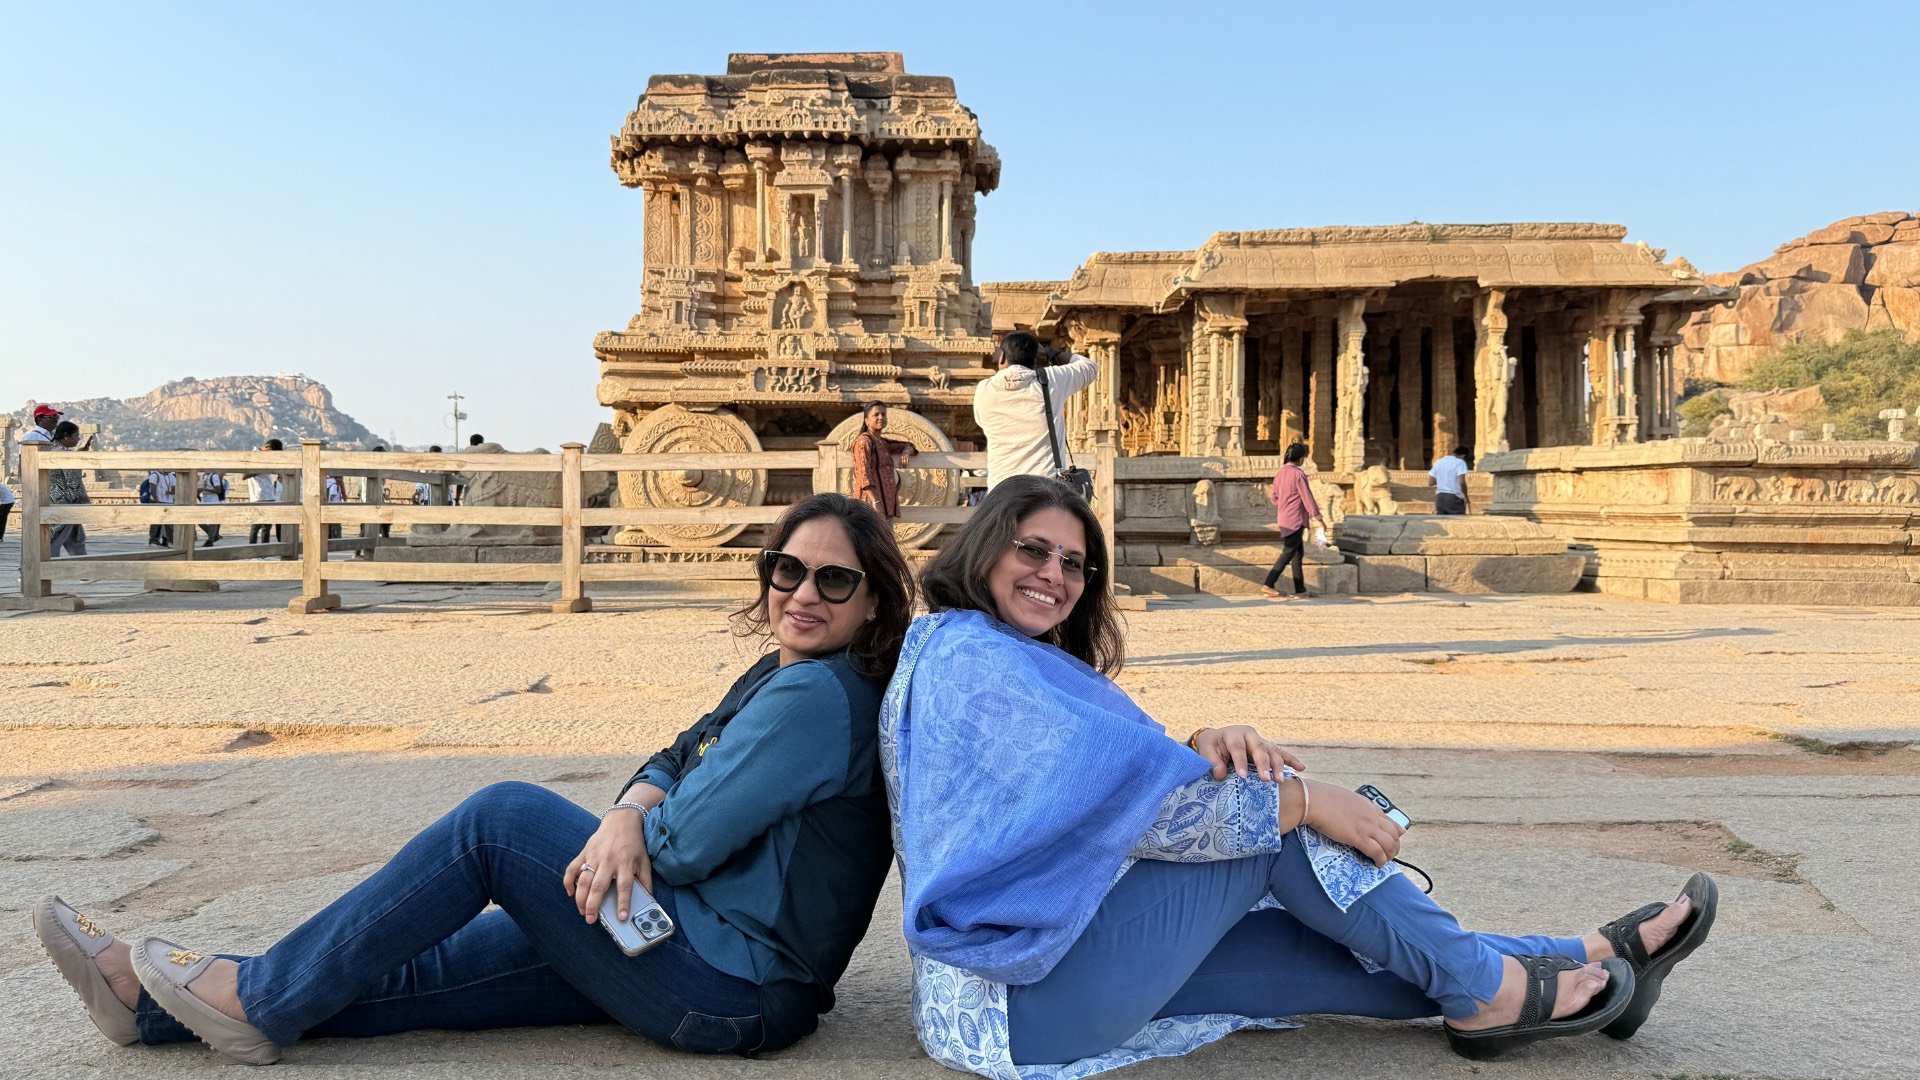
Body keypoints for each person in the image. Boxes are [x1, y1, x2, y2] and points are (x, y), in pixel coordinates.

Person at [34, 492, 916, 1064]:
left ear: (874, 598)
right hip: (685, 950)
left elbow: (681, 846)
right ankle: (148, 1006)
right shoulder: (785, 669)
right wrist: (623, 813)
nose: (804, 593)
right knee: (427, 965)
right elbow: (677, 755)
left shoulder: (817, 696)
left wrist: (636, 826)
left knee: (498, 822)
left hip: (727, 985)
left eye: (835, 580)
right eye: (786, 570)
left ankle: (257, 998)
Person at [881, 475, 1717, 1074]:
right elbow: (1155, 814)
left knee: (1334, 958)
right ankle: (1494, 991)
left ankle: (1581, 956)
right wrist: (1312, 800)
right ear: (988, 545)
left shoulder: (988, 655)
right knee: (1271, 827)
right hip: (1024, 992)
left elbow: (1093, 784)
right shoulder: (971, 656)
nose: (1054, 577)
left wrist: (1205, 736)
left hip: (1032, 982)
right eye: (1034, 551)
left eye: (1074, 565)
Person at [972, 330, 1098, 491]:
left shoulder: (984, 389)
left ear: (1002, 357)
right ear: (1036, 359)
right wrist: (1051, 353)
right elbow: (1090, 367)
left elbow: (981, 421)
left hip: (1001, 486)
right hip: (1045, 486)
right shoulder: (1051, 379)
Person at [1263, 441, 1328, 600]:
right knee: (1289, 552)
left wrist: (1285, 506)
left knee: (1297, 554)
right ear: (1301, 458)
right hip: (1295, 519)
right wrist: (1318, 517)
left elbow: (1274, 498)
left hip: (1284, 517)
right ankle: (1269, 584)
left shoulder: (1280, 474)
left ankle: (1301, 590)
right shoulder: (1298, 474)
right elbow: (1307, 498)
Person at [849, 402, 918, 521]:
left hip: (885, 504)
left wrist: (906, 452)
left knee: (884, 538)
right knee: (871, 538)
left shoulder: (882, 442)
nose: (881, 417)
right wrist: (875, 501)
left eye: (883, 414)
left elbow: (909, 445)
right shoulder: (864, 441)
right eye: (876, 415)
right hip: (870, 502)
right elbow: (863, 473)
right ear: (866, 420)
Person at [45, 421, 90, 556]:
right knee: (55, 539)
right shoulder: (64, 454)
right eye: (76, 436)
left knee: (75, 538)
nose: (78, 439)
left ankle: (84, 571)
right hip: (65, 501)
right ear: (66, 436)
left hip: (51, 498)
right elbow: (73, 480)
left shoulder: (49, 449)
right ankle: (47, 570)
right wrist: (83, 501)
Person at [247, 440, 285, 546]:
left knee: (267, 527)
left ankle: (264, 550)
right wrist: (264, 469)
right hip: (259, 496)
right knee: (256, 526)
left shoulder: (264, 458)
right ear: (268, 448)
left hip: (269, 495)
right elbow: (245, 475)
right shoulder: (254, 456)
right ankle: (252, 550)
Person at [1431, 446, 1471, 515]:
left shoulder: (1438, 462)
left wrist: (1443, 481)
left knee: (1442, 521)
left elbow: (1430, 482)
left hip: (1439, 498)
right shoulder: (1460, 462)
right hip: (1454, 498)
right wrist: (1466, 497)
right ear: (1463, 456)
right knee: (1457, 522)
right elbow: (1461, 482)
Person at [143, 469, 177, 547]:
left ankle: (171, 540)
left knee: (169, 522)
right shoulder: (155, 475)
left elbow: (174, 488)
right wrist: (156, 501)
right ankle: (153, 540)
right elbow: (153, 489)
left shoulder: (171, 476)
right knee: (156, 522)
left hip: (168, 502)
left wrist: (171, 492)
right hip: (157, 501)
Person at [196, 469, 228, 547]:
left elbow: (218, 490)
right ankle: (214, 535)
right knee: (199, 521)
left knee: (212, 522)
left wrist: (203, 489)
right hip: (205, 501)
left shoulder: (214, 476)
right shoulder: (203, 476)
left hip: (213, 502)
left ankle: (210, 540)